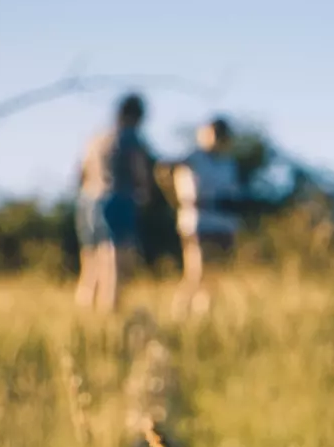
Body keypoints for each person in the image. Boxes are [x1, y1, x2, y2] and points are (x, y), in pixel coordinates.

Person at [76, 93, 154, 313]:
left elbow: (81, 173)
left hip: (87, 201)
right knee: (115, 264)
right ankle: (110, 317)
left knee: (90, 265)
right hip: (117, 199)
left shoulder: (96, 138)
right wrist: (145, 194)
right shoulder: (130, 137)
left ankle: (85, 319)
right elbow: (140, 170)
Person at [170, 117, 242, 318]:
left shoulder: (229, 163)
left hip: (223, 224)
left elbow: (232, 194)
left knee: (216, 275)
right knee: (196, 274)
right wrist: (179, 201)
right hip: (197, 223)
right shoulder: (193, 157)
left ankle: (204, 317)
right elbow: (165, 170)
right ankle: (180, 315)